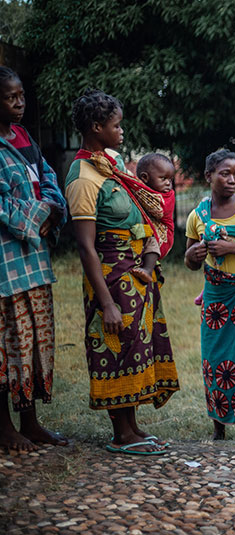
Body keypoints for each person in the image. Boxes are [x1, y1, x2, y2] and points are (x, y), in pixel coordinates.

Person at [65, 88, 179, 455]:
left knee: (133, 348)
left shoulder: (110, 164)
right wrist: (106, 302)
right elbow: (85, 246)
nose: (121, 131)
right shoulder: (84, 177)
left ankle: (131, 426)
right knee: (113, 346)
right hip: (109, 276)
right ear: (96, 127)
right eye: (116, 125)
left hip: (132, 272)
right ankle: (121, 434)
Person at [0, 66, 69, 452]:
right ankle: (4, 427)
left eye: (21, 95)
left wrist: (54, 208)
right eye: (11, 97)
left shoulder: (26, 137)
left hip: (34, 260)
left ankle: (31, 422)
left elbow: (47, 179)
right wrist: (37, 215)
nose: (20, 102)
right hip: (6, 263)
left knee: (33, 342)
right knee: (7, 343)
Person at [184, 149, 235, 441]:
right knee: (214, 359)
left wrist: (233, 248)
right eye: (225, 173)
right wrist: (194, 255)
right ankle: (218, 428)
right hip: (216, 299)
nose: (232, 179)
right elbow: (190, 259)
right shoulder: (198, 215)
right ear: (209, 176)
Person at [131, 153, 176, 283]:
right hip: (145, 229)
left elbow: (158, 210)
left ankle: (148, 270)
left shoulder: (167, 196)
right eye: (163, 179)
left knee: (152, 240)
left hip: (164, 234)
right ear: (145, 177)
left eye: (170, 179)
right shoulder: (144, 191)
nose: (168, 183)